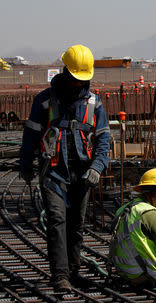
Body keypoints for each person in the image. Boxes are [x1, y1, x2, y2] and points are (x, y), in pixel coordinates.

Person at [19, 44, 110, 291]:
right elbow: (30, 136)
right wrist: (25, 164)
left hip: (83, 174)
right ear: (65, 72)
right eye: (74, 79)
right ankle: (60, 276)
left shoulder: (94, 103)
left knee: (76, 224)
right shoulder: (44, 101)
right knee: (57, 221)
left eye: (82, 80)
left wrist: (98, 167)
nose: (78, 84)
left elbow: (103, 139)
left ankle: (74, 271)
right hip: (53, 172)